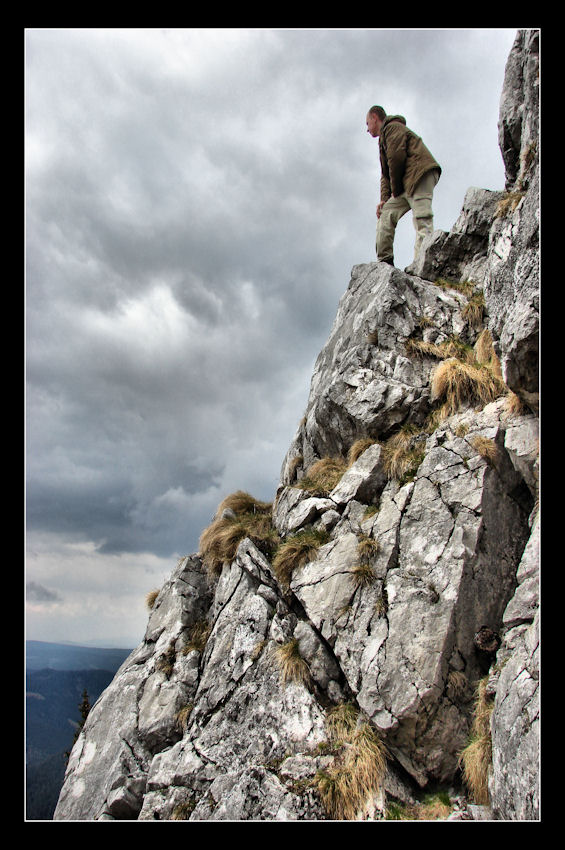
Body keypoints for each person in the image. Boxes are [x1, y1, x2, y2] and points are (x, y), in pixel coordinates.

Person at [366, 105, 441, 268]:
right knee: (386, 212)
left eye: (367, 123)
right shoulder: (383, 139)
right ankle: (385, 262)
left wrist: (395, 190)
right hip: (406, 183)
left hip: (420, 174)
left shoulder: (393, 128)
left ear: (374, 117)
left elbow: (396, 158)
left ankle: (421, 266)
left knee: (422, 219)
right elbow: (385, 174)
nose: (367, 129)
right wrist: (384, 200)